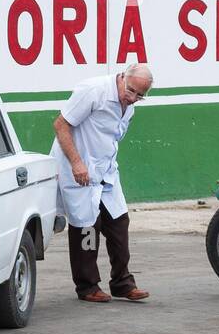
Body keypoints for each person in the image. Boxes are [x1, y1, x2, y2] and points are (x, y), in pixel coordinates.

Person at [50, 64, 153, 303]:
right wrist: (77, 163)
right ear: (122, 77)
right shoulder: (93, 91)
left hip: (105, 173)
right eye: (131, 91)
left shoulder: (128, 107)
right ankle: (87, 286)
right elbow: (60, 125)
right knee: (87, 226)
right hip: (78, 170)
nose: (133, 98)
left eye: (140, 95)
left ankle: (122, 282)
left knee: (119, 222)